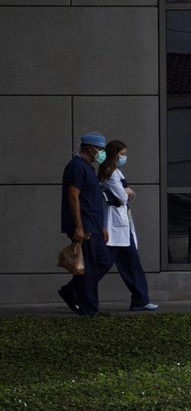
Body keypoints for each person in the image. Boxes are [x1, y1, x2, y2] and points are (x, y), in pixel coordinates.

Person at [58, 132, 114, 316]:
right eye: (100, 149)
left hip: (95, 226)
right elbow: (73, 197)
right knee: (88, 269)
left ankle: (71, 291)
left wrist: (102, 226)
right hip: (85, 225)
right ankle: (89, 309)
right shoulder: (76, 166)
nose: (102, 153)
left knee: (104, 261)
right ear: (89, 148)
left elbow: (92, 199)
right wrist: (79, 227)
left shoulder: (88, 167)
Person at [99, 140, 158, 312]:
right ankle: (75, 291)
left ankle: (140, 299)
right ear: (114, 154)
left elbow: (121, 194)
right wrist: (129, 191)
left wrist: (126, 192)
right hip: (115, 227)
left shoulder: (114, 172)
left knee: (129, 264)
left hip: (121, 227)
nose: (124, 157)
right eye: (122, 154)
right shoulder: (110, 173)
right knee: (105, 264)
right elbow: (122, 197)